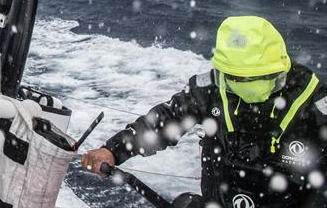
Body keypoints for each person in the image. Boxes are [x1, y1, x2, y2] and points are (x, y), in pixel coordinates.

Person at [82, 15, 327, 207]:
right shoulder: (210, 88)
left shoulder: (315, 105)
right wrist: (112, 150)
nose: (243, 88)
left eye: (254, 80)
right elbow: (166, 120)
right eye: (235, 80)